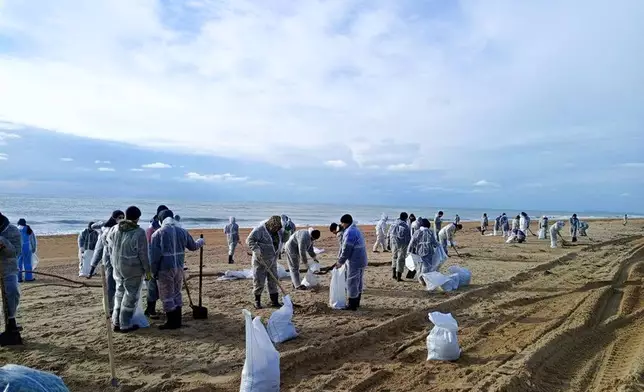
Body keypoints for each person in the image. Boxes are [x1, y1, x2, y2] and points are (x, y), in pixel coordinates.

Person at [149, 209, 204, 330]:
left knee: (166, 295)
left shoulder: (157, 234)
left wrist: (153, 272)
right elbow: (193, 246)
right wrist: (201, 241)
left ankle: (172, 322)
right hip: (179, 268)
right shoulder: (182, 231)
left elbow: (154, 257)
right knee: (176, 292)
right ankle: (177, 320)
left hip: (164, 269)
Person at [108, 206, 151, 333]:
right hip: (132, 269)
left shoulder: (115, 229)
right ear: (137, 218)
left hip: (117, 266)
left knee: (119, 293)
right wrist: (147, 270)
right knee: (130, 296)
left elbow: (109, 245)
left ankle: (115, 322)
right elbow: (143, 254)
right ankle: (124, 324)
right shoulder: (138, 232)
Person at [89, 210, 125, 315]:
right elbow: (99, 249)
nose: (121, 219)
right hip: (109, 261)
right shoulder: (105, 230)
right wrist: (92, 267)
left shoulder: (122, 230)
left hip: (121, 262)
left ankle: (118, 307)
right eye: (119, 217)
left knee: (120, 285)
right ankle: (109, 308)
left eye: (123, 217)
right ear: (113, 218)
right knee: (110, 285)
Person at [247, 216, 284, 309]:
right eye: (274, 228)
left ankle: (274, 301)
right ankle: (257, 301)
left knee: (273, 279)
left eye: (277, 228)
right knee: (259, 280)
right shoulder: (260, 230)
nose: (276, 229)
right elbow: (249, 240)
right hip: (260, 260)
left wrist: (287, 231)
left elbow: (284, 239)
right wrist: (256, 249)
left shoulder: (278, 231)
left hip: (272, 260)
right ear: (270, 224)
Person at [334, 214, 367, 311]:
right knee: (358, 281)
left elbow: (347, 249)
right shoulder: (355, 229)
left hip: (355, 261)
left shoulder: (350, 232)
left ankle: (352, 305)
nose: (341, 225)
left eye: (342, 223)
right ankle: (357, 303)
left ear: (345, 223)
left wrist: (340, 261)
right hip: (361, 259)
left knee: (352, 282)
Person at [0, 212, 23, 342]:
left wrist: (3, 243)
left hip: (8, 267)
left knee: (12, 291)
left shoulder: (13, 230)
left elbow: (16, 252)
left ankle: (11, 321)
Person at [144, 205, 168, 319]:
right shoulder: (151, 229)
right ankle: (150, 310)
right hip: (151, 262)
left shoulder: (160, 227)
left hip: (159, 261)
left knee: (155, 287)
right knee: (152, 286)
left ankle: (150, 309)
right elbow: (150, 249)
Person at [388, 212, 411, 282]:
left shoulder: (393, 223)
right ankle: (399, 277)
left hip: (393, 242)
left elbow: (389, 233)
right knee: (401, 259)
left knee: (394, 257)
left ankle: (394, 274)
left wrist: (388, 243)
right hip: (402, 244)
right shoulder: (405, 226)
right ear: (406, 218)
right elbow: (408, 237)